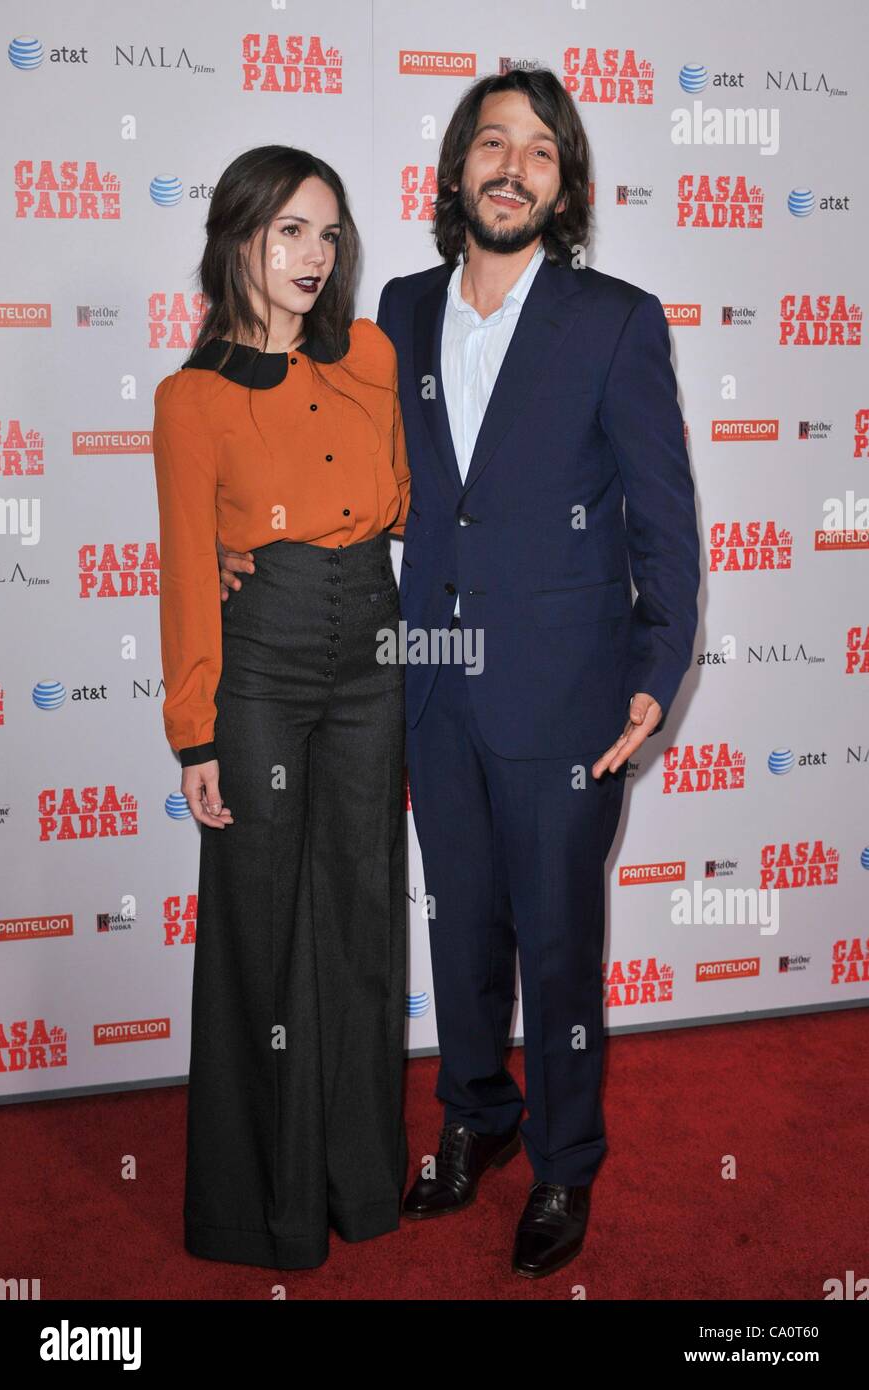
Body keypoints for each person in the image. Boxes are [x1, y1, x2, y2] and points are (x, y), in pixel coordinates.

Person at [220, 68, 700, 1281]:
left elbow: (665, 521)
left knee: (559, 943)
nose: (512, 164)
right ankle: (476, 1119)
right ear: (456, 170)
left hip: (568, 698)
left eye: (540, 150)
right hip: (430, 676)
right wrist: (243, 524)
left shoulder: (617, 320)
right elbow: (336, 457)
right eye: (492, 141)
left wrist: (653, 673)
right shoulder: (396, 308)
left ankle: (564, 1161)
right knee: (459, 934)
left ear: (565, 184)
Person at [152, 145, 411, 1271]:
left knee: (360, 916)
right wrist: (194, 728)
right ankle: (259, 1205)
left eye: (329, 232)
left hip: (372, 650)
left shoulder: (371, 355)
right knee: (258, 921)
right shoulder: (189, 397)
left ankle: (360, 1184)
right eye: (290, 231)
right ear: (239, 239)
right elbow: (182, 570)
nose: (314, 255)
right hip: (259, 662)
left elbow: (397, 501)